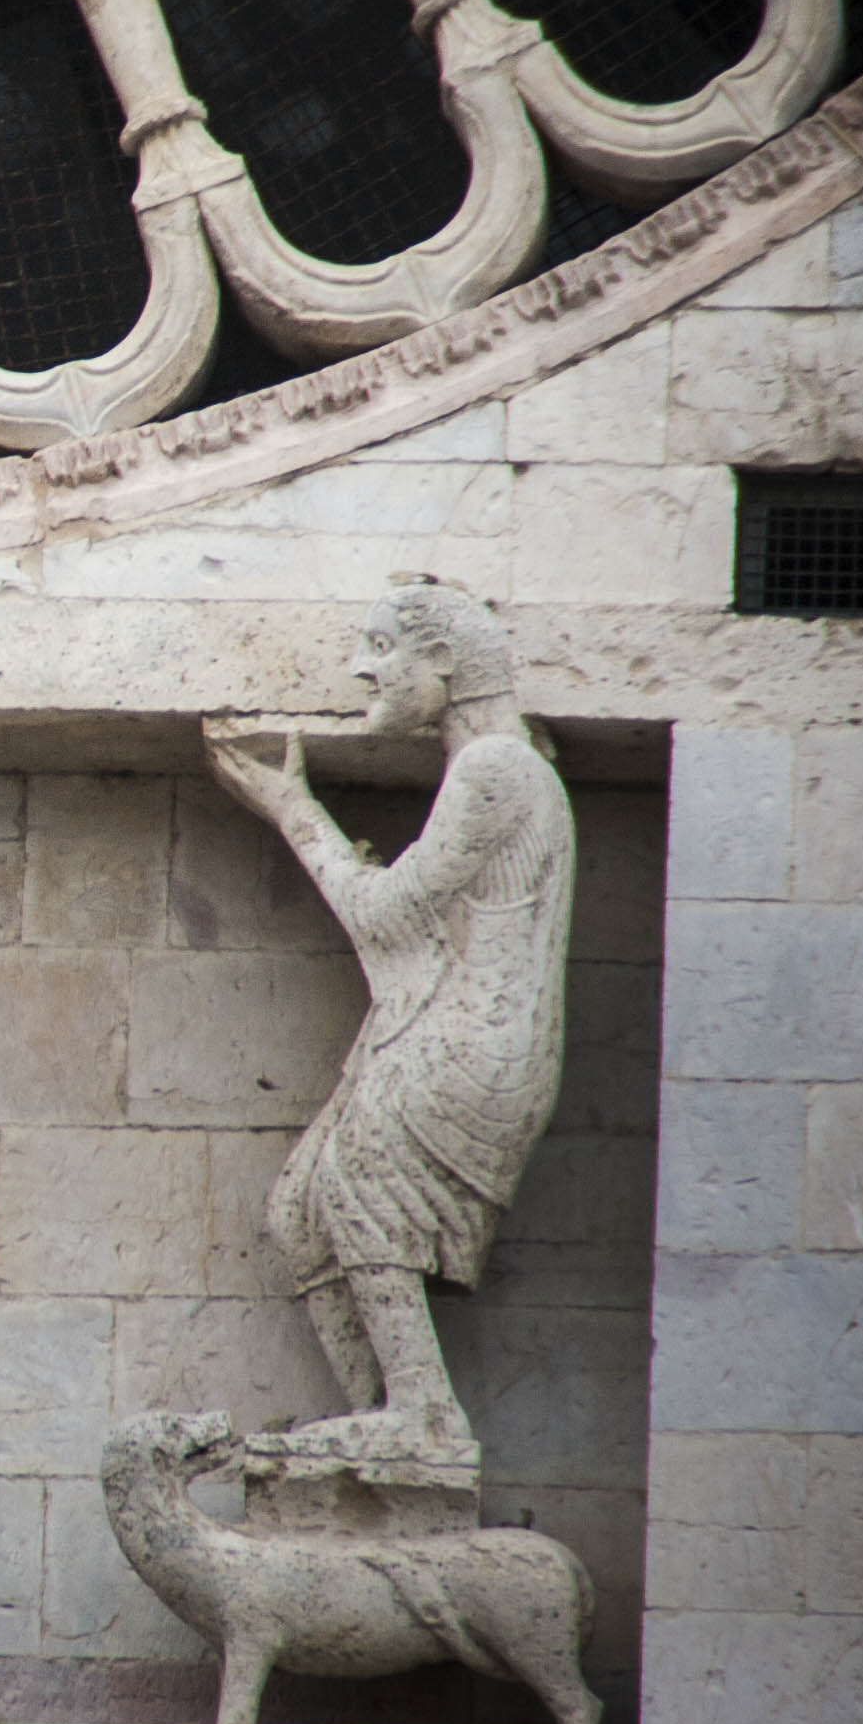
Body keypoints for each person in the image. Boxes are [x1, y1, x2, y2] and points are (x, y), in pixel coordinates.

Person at [202, 581, 575, 1469]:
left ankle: (423, 1416)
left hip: (469, 1044)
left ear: (443, 663)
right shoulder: (499, 768)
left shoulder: (496, 768)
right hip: (443, 1026)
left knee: (359, 1186)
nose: (361, 666)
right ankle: (385, 1427)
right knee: (300, 1212)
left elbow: (383, 917)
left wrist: (295, 811)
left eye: (381, 647)